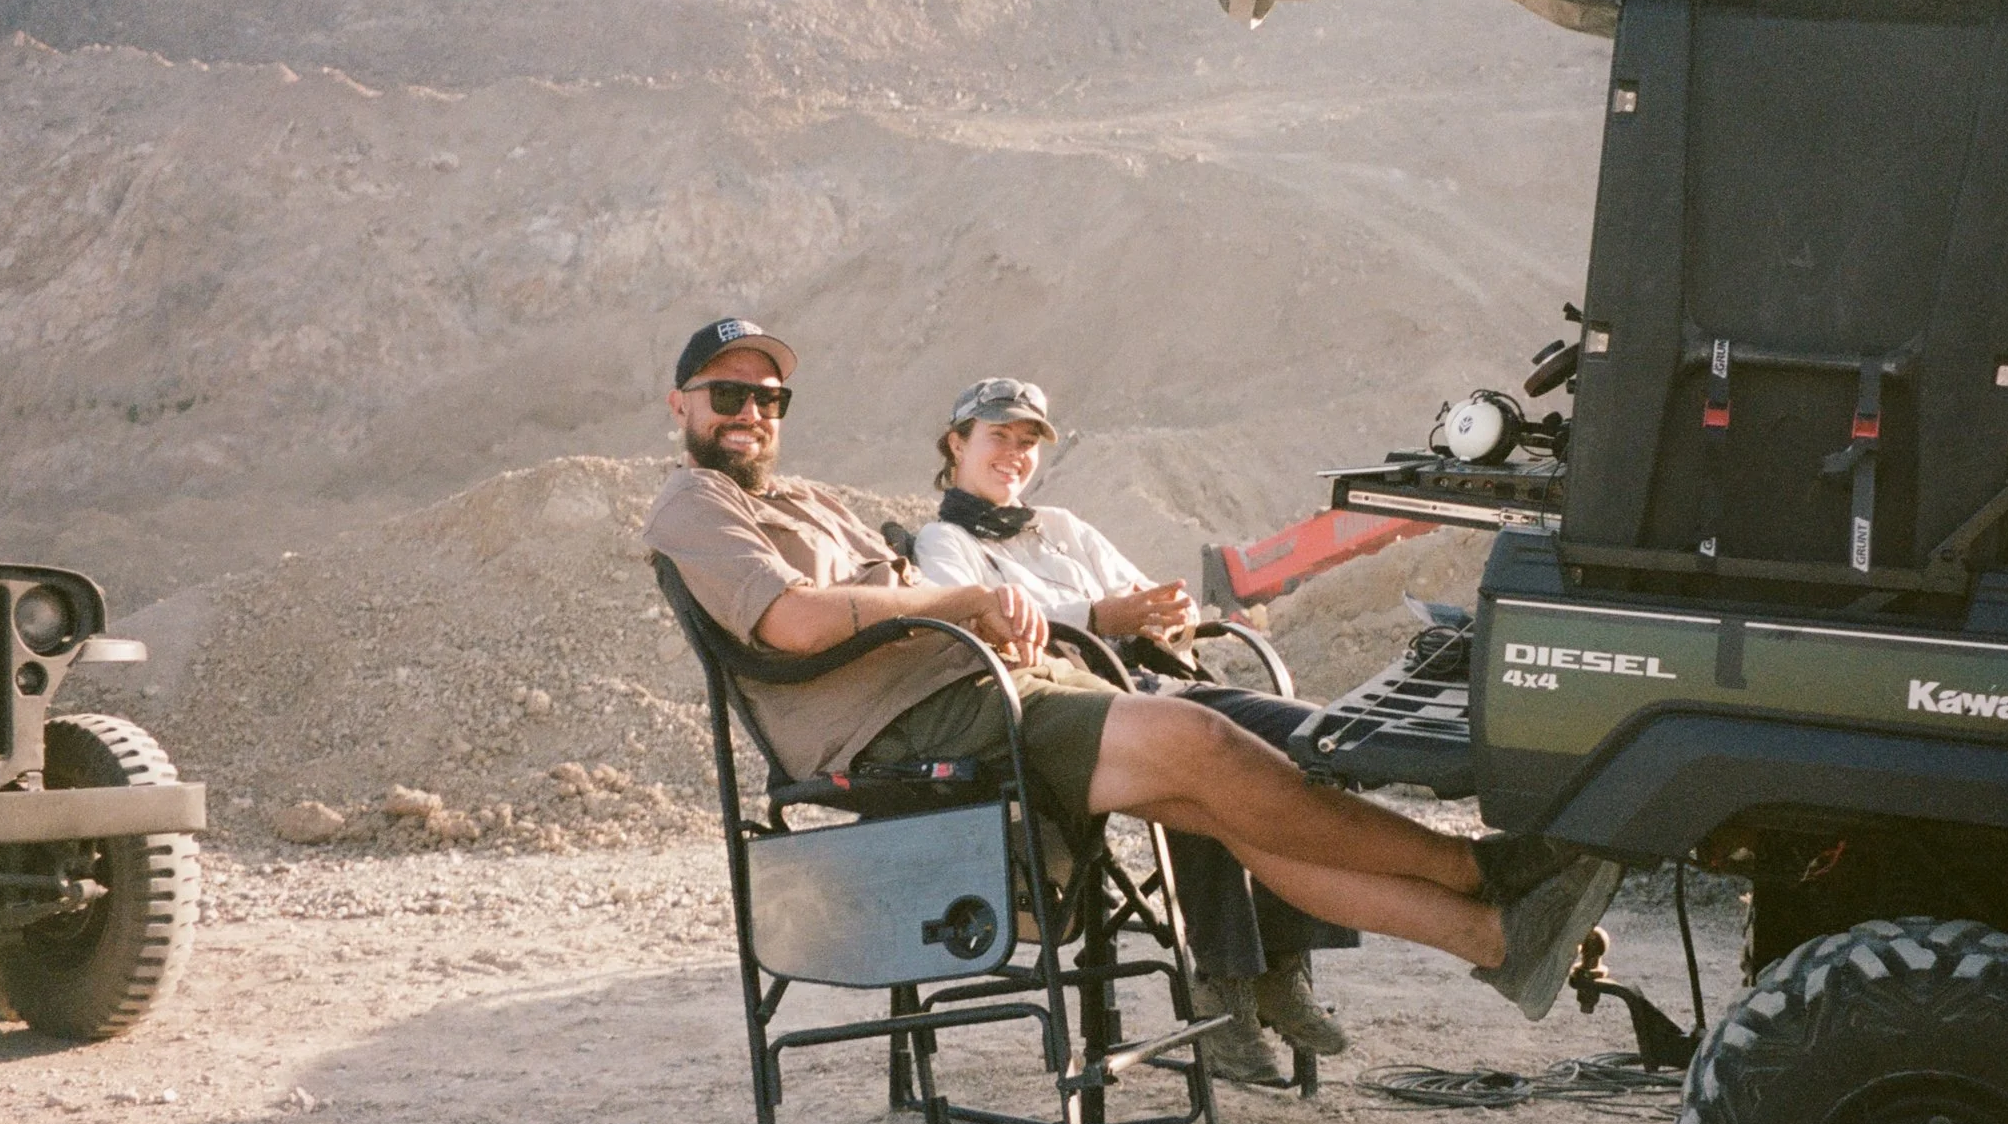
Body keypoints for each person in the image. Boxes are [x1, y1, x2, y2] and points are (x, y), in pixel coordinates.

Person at [640, 317, 1618, 1029]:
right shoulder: (694, 505)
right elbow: (791, 619)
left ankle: (1495, 940)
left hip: (985, 685)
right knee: (1203, 744)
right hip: (908, 725)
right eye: (729, 395)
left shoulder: (808, 500)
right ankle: (1487, 873)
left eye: (769, 398)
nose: (751, 412)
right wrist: (966, 602)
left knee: (1229, 796)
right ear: (680, 405)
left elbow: (892, 594)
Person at [910, 377, 1356, 1083]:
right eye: (998, 437)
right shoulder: (943, 543)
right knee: (1193, 751)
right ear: (956, 444)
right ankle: (1226, 986)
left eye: (1027, 441)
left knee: (1312, 738)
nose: (1015, 454)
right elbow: (982, 627)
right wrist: (1100, 617)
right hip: (1066, 707)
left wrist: (1169, 614)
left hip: (1151, 681)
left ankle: (1281, 966)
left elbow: (1143, 598)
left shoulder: (1062, 526)